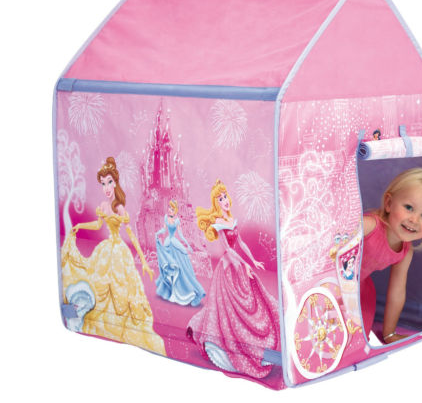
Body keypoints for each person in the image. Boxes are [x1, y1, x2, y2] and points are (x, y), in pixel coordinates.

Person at [61, 157, 166, 355]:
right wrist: (80, 225)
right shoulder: (103, 205)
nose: (106, 187)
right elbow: (98, 225)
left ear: (116, 183)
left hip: (119, 252)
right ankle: (100, 320)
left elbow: (131, 235)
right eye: (103, 183)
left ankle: (122, 326)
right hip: (107, 249)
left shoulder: (119, 207)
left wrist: (144, 261)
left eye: (109, 182)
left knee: (121, 289)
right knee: (100, 282)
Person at [187, 180, 279, 379]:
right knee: (229, 310)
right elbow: (227, 249)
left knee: (251, 299)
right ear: (216, 203)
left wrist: (253, 261)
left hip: (238, 265)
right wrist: (243, 265)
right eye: (220, 199)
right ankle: (229, 345)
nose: (225, 201)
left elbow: (241, 243)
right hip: (228, 267)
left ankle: (256, 345)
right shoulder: (220, 223)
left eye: (225, 197)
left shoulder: (231, 220)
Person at [361, 168, 422, 344]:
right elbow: (332, 243)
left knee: (357, 333)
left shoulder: (405, 252)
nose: (414, 220)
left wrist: (389, 333)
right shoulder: (369, 226)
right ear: (389, 203)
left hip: (358, 289)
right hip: (331, 280)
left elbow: (397, 292)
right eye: (408, 208)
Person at [155, 200, 205, 306]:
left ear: (176, 211)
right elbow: (164, 230)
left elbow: (181, 235)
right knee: (169, 267)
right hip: (168, 243)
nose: (170, 210)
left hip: (174, 244)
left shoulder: (177, 221)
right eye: (169, 207)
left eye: (172, 209)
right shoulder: (166, 217)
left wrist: (187, 245)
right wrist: (157, 233)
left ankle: (190, 291)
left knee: (181, 268)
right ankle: (170, 291)